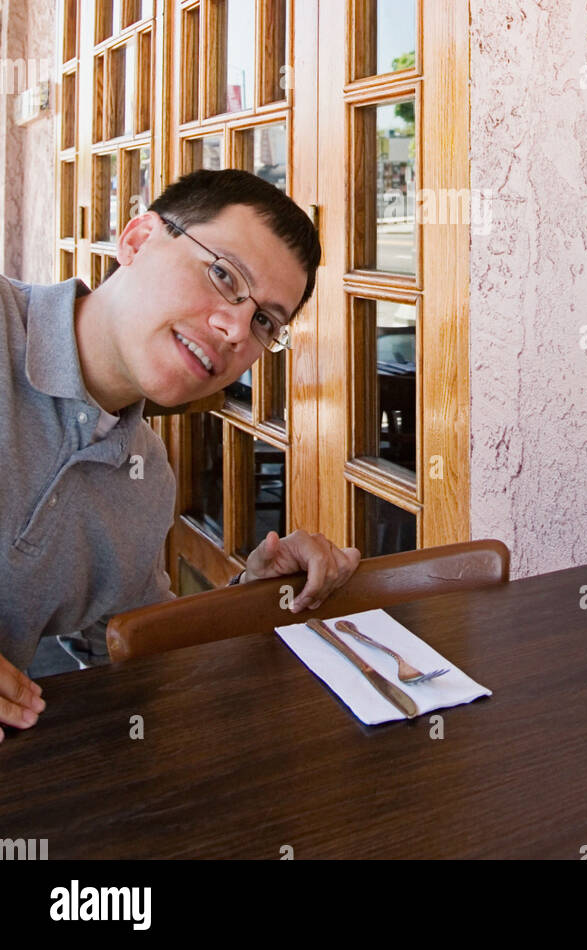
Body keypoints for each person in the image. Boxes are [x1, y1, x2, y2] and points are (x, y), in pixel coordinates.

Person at [0, 167, 360, 741]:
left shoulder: (143, 482)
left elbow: (139, 655)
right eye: (222, 274)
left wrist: (257, 593)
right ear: (138, 240)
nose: (236, 329)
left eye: (265, 320)